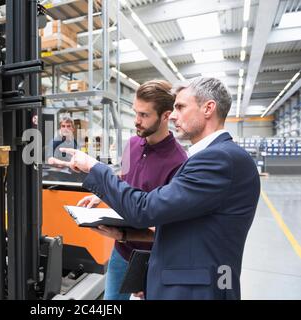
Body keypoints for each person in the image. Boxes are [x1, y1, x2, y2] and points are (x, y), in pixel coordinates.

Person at [55, 77, 261, 300]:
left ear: (208, 108)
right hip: (171, 275)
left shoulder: (218, 160)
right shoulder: (207, 158)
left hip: (192, 289)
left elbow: (146, 209)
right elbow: (181, 223)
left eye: (181, 107)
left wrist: (94, 167)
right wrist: (123, 233)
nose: (173, 115)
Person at [76, 80, 187, 300]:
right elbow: (124, 181)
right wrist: (100, 195)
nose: (136, 121)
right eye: (135, 112)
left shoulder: (179, 162)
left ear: (166, 116)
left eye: (144, 115)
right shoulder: (133, 144)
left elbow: (170, 230)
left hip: (152, 257)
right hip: (121, 251)